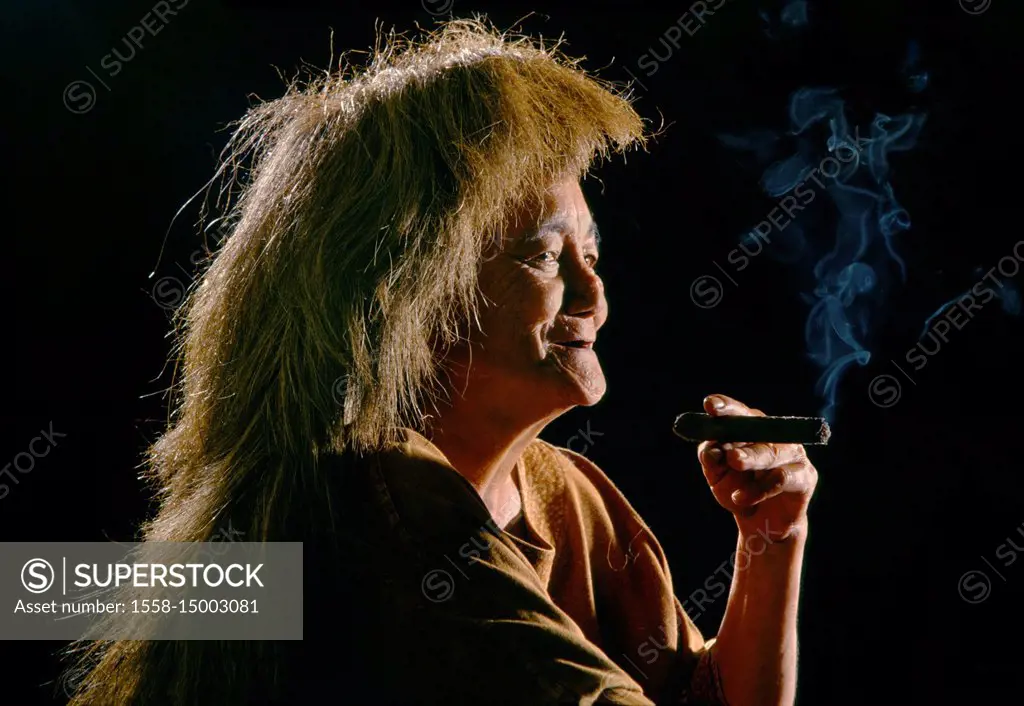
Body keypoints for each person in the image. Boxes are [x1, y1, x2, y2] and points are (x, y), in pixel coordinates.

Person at [64, 18, 818, 706]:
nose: (594, 295)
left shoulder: (567, 491)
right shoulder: (372, 495)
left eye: (593, 255)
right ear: (410, 290)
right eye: (545, 256)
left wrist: (772, 543)